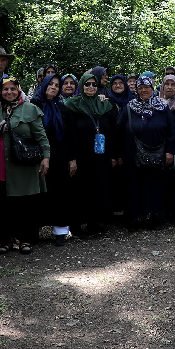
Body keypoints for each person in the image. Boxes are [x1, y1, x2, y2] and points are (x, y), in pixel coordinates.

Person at [0, 77, 50, 255]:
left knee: (26, 203)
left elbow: (41, 136)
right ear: (0, 92)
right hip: (1, 164)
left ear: (19, 90)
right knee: (3, 204)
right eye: (5, 89)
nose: (9, 92)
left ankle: (26, 239)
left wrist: (46, 157)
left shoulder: (30, 109)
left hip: (24, 164)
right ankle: (5, 240)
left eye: (13, 89)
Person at [118, 76, 175, 228]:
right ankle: (136, 218)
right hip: (133, 153)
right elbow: (119, 129)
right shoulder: (130, 107)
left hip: (157, 153)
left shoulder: (162, 108)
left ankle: (154, 218)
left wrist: (170, 152)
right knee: (135, 185)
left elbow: (171, 131)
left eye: (147, 87)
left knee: (155, 185)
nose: (144, 90)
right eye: (140, 87)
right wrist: (118, 154)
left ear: (152, 88)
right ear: (136, 89)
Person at [66, 74, 119, 236]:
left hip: (101, 156)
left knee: (99, 188)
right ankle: (76, 226)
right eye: (87, 84)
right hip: (81, 157)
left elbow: (114, 132)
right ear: (81, 85)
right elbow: (70, 134)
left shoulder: (106, 106)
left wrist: (114, 155)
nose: (91, 87)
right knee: (81, 190)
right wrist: (72, 158)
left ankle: (95, 223)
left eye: (94, 85)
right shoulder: (72, 106)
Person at [31, 74, 77, 246]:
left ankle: (60, 231)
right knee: (38, 193)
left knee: (60, 192)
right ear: (43, 85)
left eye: (57, 85)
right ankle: (34, 229)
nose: (54, 87)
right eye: (50, 84)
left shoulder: (63, 109)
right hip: (38, 156)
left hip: (60, 157)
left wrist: (72, 159)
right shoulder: (33, 106)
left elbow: (72, 136)